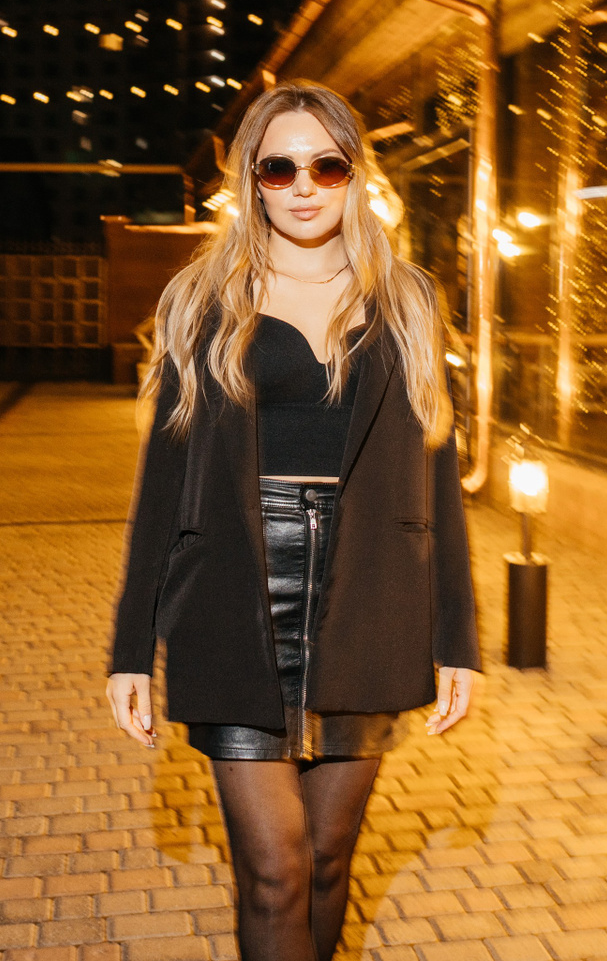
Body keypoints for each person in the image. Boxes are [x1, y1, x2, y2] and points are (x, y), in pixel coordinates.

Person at [107, 80, 481, 961]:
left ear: (355, 174)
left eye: (326, 165)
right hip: (236, 591)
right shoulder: (204, 300)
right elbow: (163, 482)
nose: (304, 186)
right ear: (252, 180)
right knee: (275, 867)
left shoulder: (409, 300)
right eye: (279, 168)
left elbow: (437, 472)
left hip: (369, 593)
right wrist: (130, 649)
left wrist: (457, 637)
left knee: (326, 859)